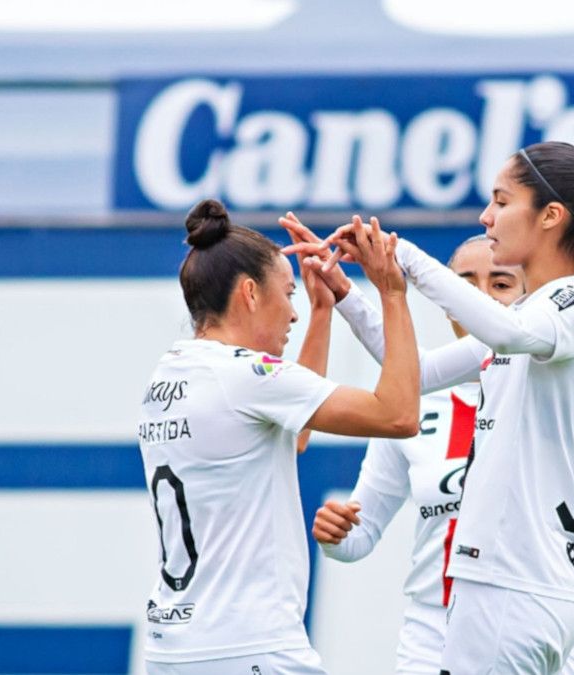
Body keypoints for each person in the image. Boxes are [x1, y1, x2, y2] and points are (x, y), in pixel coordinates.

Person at [314, 140, 574, 674]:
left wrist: (405, 256)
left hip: (506, 590)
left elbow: (508, 329)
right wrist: (350, 293)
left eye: (501, 200)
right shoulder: (540, 316)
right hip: (521, 592)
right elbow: (418, 372)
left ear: (550, 216)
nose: (485, 216)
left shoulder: (564, 304)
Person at [137, 200, 419, 675]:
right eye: (288, 293)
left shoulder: (170, 375)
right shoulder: (247, 376)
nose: (293, 313)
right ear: (249, 293)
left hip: (174, 649)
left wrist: (323, 314)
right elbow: (399, 415)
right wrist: (392, 292)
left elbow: (293, 435)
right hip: (248, 645)